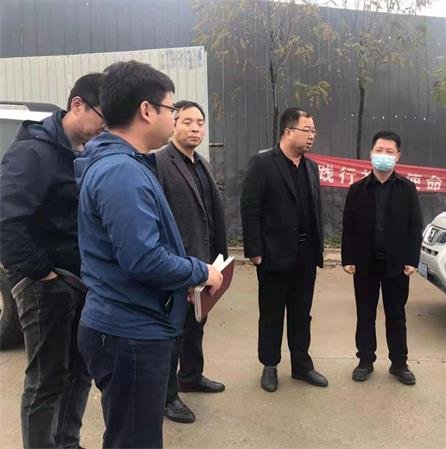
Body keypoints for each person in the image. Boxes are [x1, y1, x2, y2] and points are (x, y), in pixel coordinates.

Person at [75, 61, 222, 449]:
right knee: (134, 439)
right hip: (130, 332)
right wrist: (200, 271)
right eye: (172, 109)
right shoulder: (122, 172)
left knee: (129, 434)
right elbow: (143, 259)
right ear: (146, 110)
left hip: (130, 324)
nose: (174, 118)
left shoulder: (128, 164)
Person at [0, 73, 104, 449]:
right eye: (103, 117)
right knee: (46, 379)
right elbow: (6, 223)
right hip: (46, 285)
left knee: (80, 370)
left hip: (80, 281)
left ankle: (66, 442)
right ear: (77, 105)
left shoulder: (84, 152)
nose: (105, 127)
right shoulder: (34, 151)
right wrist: (43, 274)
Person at [240, 107, 327, 392]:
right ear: (288, 131)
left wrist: (318, 249)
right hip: (273, 255)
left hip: (305, 255)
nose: (312, 136)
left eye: (314, 131)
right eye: (307, 130)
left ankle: (302, 365)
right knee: (271, 313)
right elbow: (250, 208)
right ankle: (270, 365)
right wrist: (255, 250)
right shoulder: (263, 163)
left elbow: (316, 210)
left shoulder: (311, 168)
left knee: (302, 314)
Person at [154, 100, 227, 424]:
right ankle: (167, 397)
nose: (195, 128)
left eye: (199, 122)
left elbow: (210, 214)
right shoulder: (159, 163)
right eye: (187, 122)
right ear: (173, 125)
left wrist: (218, 260)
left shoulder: (202, 163)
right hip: (178, 265)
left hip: (205, 262)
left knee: (196, 324)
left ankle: (191, 376)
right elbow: (158, 222)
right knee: (174, 333)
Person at [341, 130, 423, 384]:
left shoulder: (407, 189)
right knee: (365, 314)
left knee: (396, 315)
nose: (383, 155)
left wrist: (412, 259)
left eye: (389, 151)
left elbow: (415, 226)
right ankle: (365, 360)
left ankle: (399, 364)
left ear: (398, 156)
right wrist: (348, 258)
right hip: (365, 263)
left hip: (396, 264)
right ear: (371, 153)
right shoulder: (357, 189)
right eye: (379, 150)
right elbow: (349, 227)